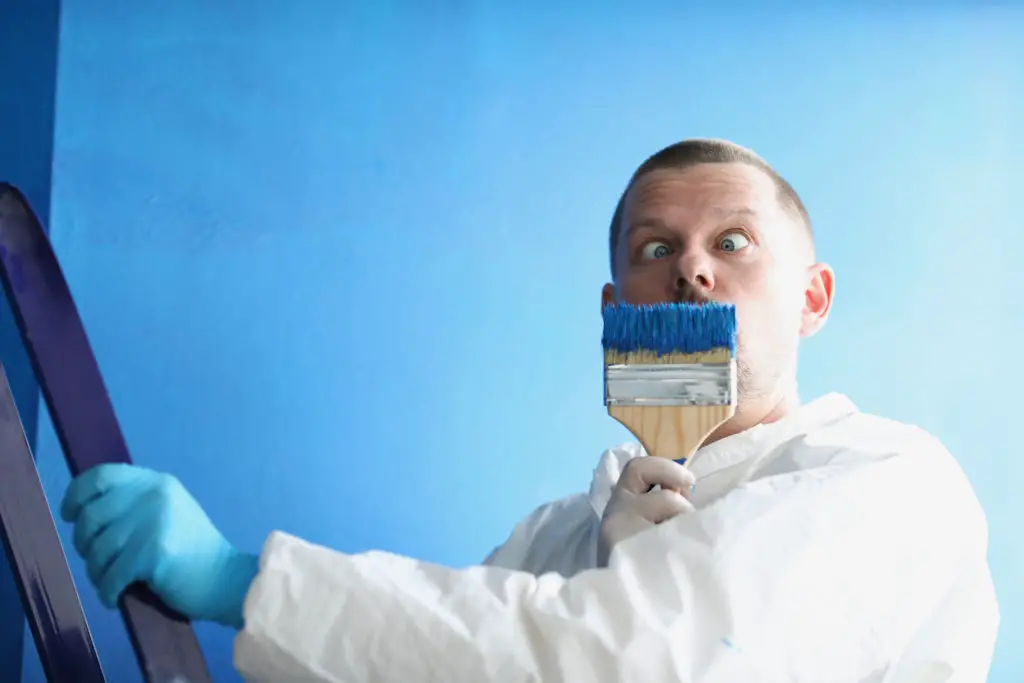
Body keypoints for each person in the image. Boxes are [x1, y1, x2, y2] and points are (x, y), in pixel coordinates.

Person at [60, 139, 999, 682]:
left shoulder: (886, 483)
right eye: (655, 244)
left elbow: (635, 661)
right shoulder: (556, 540)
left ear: (813, 297)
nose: (692, 268)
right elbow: (437, 659)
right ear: (614, 311)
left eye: (735, 241)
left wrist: (241, 580)